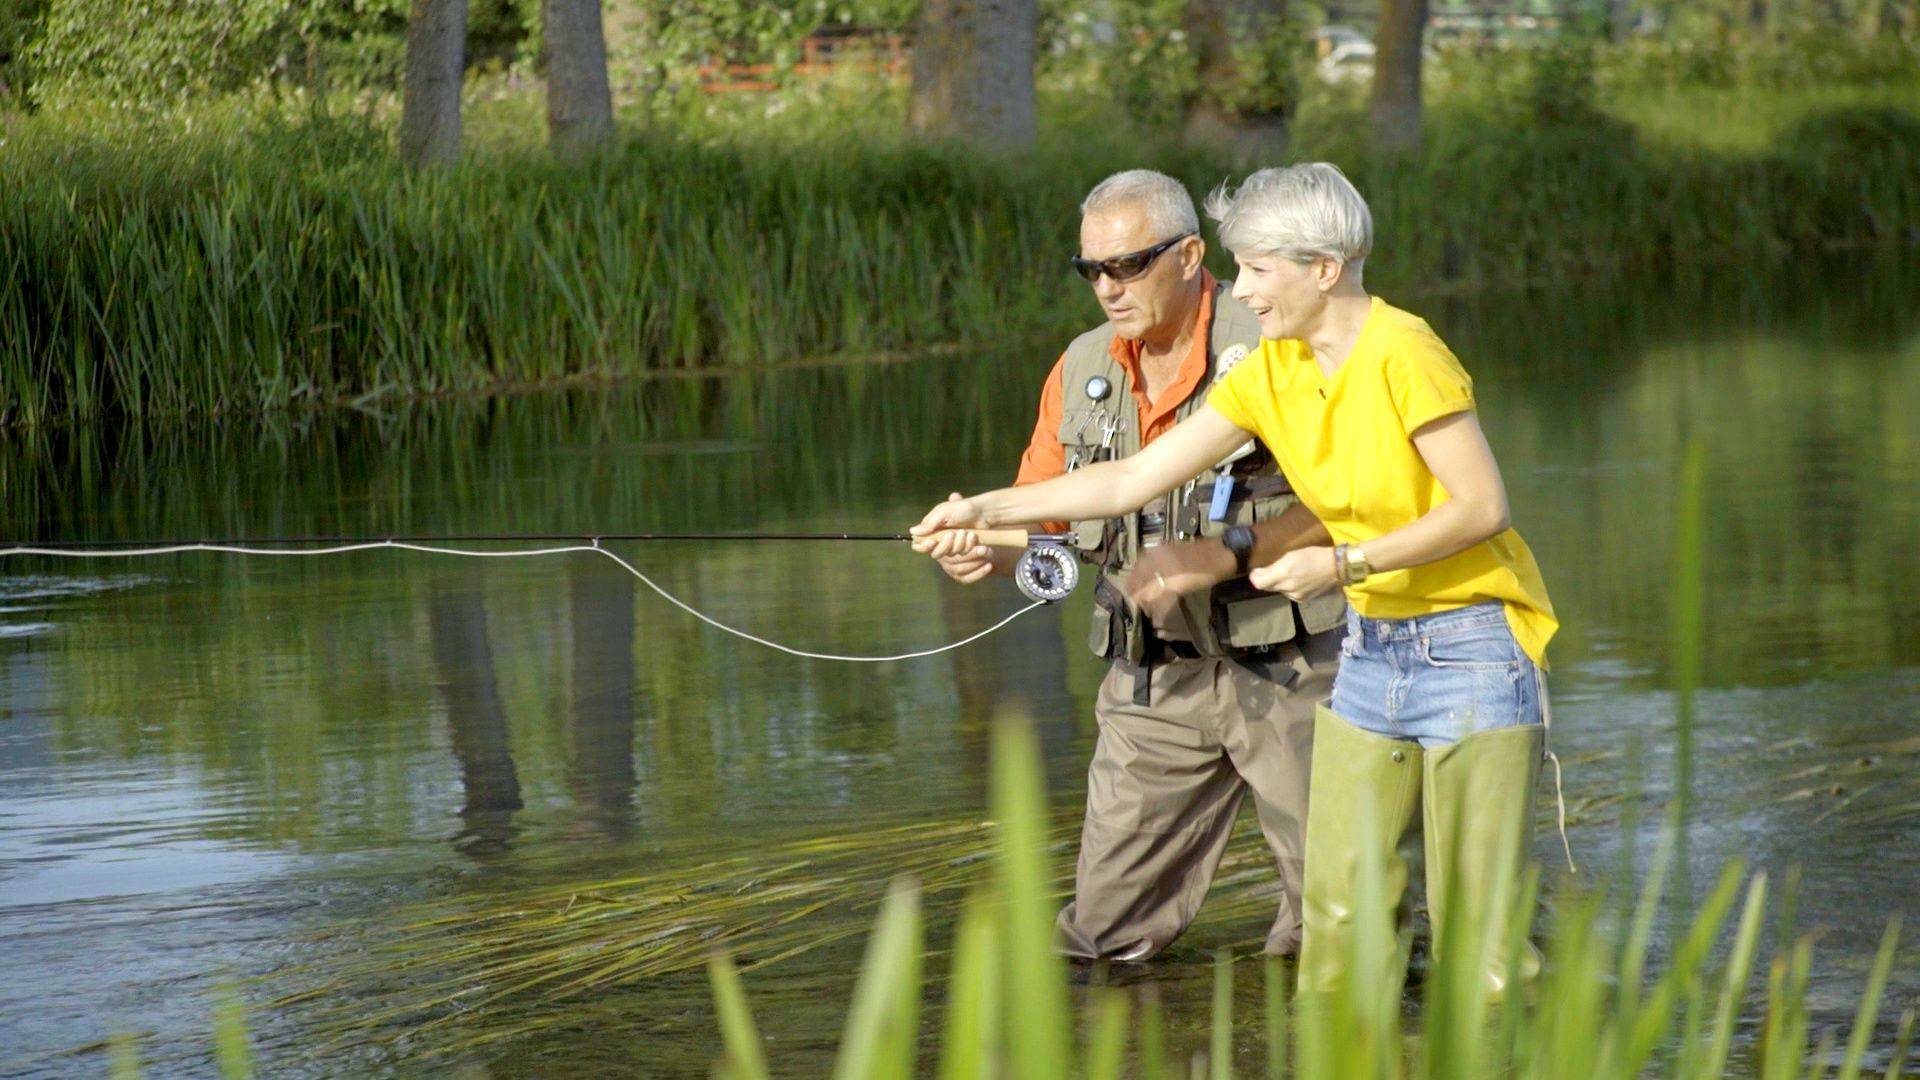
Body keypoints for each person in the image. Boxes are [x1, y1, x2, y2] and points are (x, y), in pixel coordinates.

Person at [914, 162, 1562, 994]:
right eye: (1092, 271)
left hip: (1409, 649)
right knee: (1323, 939)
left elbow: (1471, 506)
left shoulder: (1390, 349)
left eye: (1256, 267)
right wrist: (982, 515)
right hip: (1294, 658)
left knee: (1459, 941)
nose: (1244, 290)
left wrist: (1311, 561)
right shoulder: (1250, 370)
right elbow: (1120, 484)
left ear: (1319, 269)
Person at [929, 169, 1346, 962]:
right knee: (1098, 942)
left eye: (1129, 265)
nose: (1108, 289)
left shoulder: (1272, 340)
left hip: (1297, 669)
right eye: (1092, 271)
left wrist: (1222, 554)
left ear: (1191, 254)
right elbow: (1045, 515)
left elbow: (1352, 501)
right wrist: (983, 542)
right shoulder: (1082, 364)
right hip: (1153, 680)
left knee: (1340, 927)